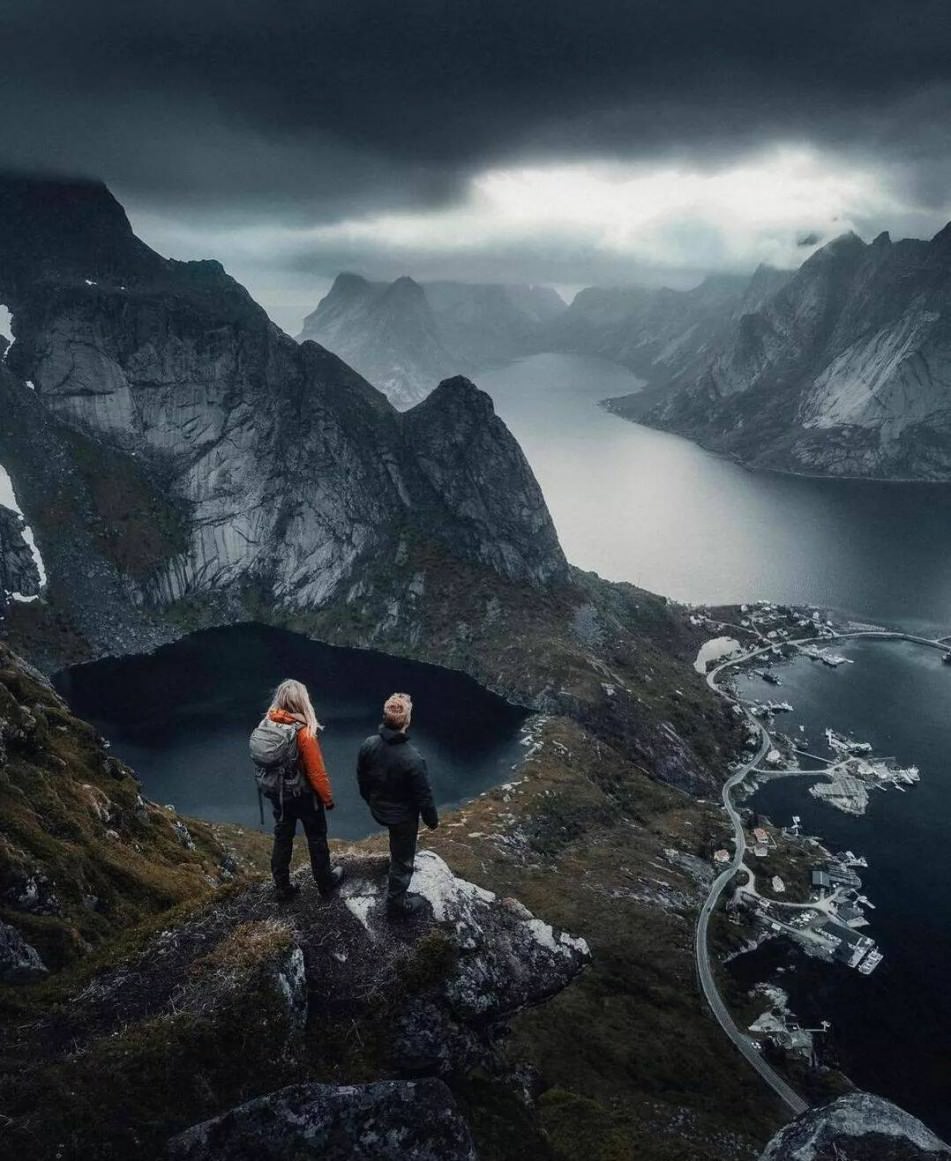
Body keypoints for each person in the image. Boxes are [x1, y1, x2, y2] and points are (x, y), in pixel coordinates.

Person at [357, 692, 438, 917]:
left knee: (396, 838)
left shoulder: (369, 744)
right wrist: (432, 821)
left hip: (377, 808)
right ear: (407, 721)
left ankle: (393, 863)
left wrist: (369, 799)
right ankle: (396, 906)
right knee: (403, 860)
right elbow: (424, 796)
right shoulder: (412, 758)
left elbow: (362, 778)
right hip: (402, 818)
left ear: (384, 717)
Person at [265, 678, 343, 902]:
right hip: (304, 796)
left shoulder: (269, 722)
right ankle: (326, 884)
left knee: (283, 836)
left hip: (278, 793)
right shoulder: (303, 732)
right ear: (302, 702)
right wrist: (327, 799)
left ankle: (281, 887)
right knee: (317, 837)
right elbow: (317, 773)